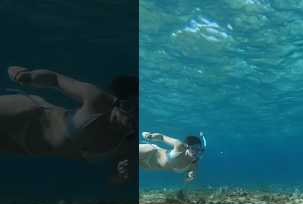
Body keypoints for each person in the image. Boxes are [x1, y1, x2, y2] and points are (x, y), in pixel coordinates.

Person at [0, 66, 138, 182]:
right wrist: (27, 76)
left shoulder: (126, 144)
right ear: (120, 101)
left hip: (25, 147)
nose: (133, 117)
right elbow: (56, 79)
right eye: (130, 107)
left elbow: (115, 181)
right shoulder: (97, 99)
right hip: (27, 114)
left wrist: (121, 175)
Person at [139, 131, 206, 183]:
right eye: (194, 148)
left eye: (199, 149)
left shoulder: (194, 164)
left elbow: (190, 171)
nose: (197, 152)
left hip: (148, 166)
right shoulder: (179, 146)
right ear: (187, 147)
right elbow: (162, 137)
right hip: (150, 152)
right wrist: (150, 136)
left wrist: (190, 176)